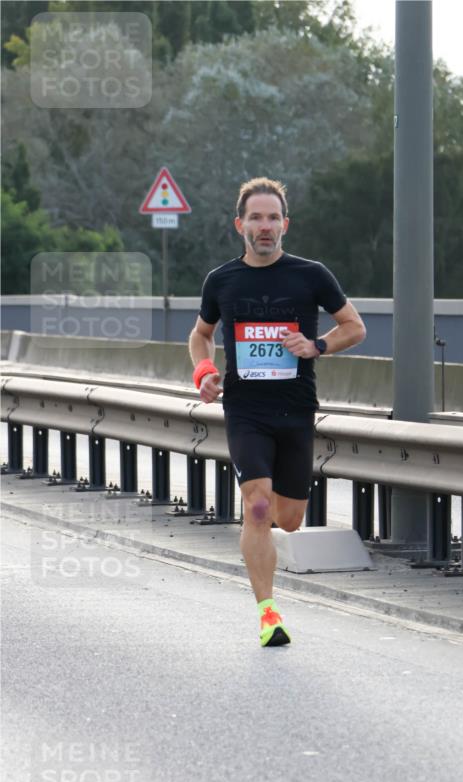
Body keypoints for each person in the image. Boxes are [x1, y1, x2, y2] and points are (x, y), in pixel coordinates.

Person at [188, 177, 366, 647]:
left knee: (288, 519)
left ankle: (271, 571)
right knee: (258, 505)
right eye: (255, 218)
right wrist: (204, 370)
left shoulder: (311, 275)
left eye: (272, 218)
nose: (264, 227)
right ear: (239, 225)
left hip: (296, 411)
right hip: (246, 411)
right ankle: (268, 614)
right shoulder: (221, 280)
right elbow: (200, 333)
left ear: (284, 225)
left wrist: (316, 345)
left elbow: (355, 327)